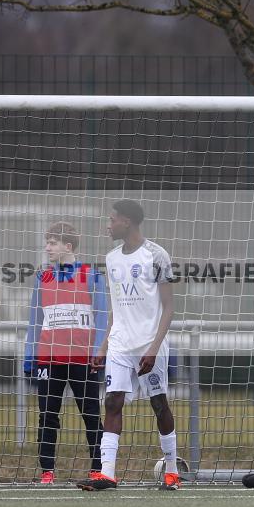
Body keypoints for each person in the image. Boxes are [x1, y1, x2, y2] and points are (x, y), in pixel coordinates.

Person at [77, 199, 180, 491]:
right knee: (112, 401)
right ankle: (107, 473)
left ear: (127, 222)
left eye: (112, 220)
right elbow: (115, 306)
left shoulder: (157, 255)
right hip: (120, 344)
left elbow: (168, 307)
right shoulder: (111, 259)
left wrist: (153, 348)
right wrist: (103, 345)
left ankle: (172, 472)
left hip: (150, 344)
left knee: (159, 405)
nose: (108, 226)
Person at [24, 221, 106, 484]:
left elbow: (102, 316)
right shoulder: (42, 277)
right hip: (49, 358)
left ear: (67, 246)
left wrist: (98, 351)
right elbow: (35, 320)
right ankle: (47, 471)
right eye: (47, 242)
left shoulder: (91, 275)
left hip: (84, 358)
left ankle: (98, 468)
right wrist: (29, 355)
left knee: (91, 414)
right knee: (47, 415)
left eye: (52, 243)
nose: (47, 247)